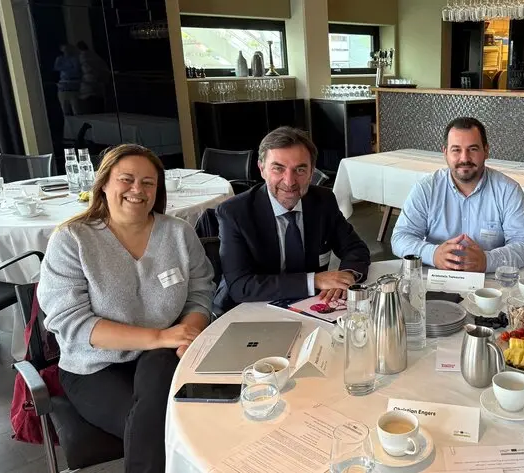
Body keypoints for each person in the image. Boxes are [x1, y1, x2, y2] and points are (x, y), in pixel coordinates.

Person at [38, 144, 214, 473]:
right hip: (94, 367)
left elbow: (200, 292)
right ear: (104, 183)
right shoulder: (72, 240)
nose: (138, 189)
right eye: (126, 179)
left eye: (148, 182)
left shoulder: (178, 233)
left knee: (167, 397)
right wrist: (159, 336)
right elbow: (71, 321)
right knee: (165, 427)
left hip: (163, 356)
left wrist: (189, 331)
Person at [214, 126, 370, 313]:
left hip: (311, 307)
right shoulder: (235, 212)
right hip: (248, 309)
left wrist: (346, 275)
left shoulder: (323, 201)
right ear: (262, 169)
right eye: (278, 169)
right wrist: (314, 280)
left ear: (312, 172)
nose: (289, 181)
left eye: (300, 170)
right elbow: (241, 285)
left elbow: (355, 248)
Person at [391, 117, 524, 272]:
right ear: (445, 153)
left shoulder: (508, 190)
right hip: (437, 277)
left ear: (486, 151)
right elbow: (401, 238)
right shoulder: (427, 188)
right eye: (456, 150)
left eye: (473, 149)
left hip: (490, 278)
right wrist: (432, 254)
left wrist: (488, 260)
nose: (464, 158)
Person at [54, 44, 82, 116]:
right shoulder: (60, 58)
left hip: (74, 86)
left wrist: (64, 68)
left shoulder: (75, 59)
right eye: (65, 49)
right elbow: (56, 68)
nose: (66, 51)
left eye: (68, 49)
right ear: (61, 49)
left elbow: (76, 70)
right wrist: (69, 67)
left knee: (77, 110)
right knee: (65, 111)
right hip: (63, 87)